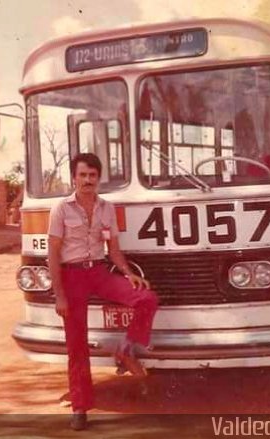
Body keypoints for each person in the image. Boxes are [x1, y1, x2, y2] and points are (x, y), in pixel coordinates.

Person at [47, 153, 159, 431]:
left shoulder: (107, 208)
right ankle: (80, 407)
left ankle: (125, 350)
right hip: (71, 276)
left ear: (98, 178)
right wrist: (59, 294)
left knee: (146, 298)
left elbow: (114, 250)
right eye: (83, 175)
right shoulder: (60, 209)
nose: (87, 180)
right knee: (77, 344)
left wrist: (128, 273)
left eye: (92, 176)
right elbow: (53, 253)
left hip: (98, 271)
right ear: (74, 177)